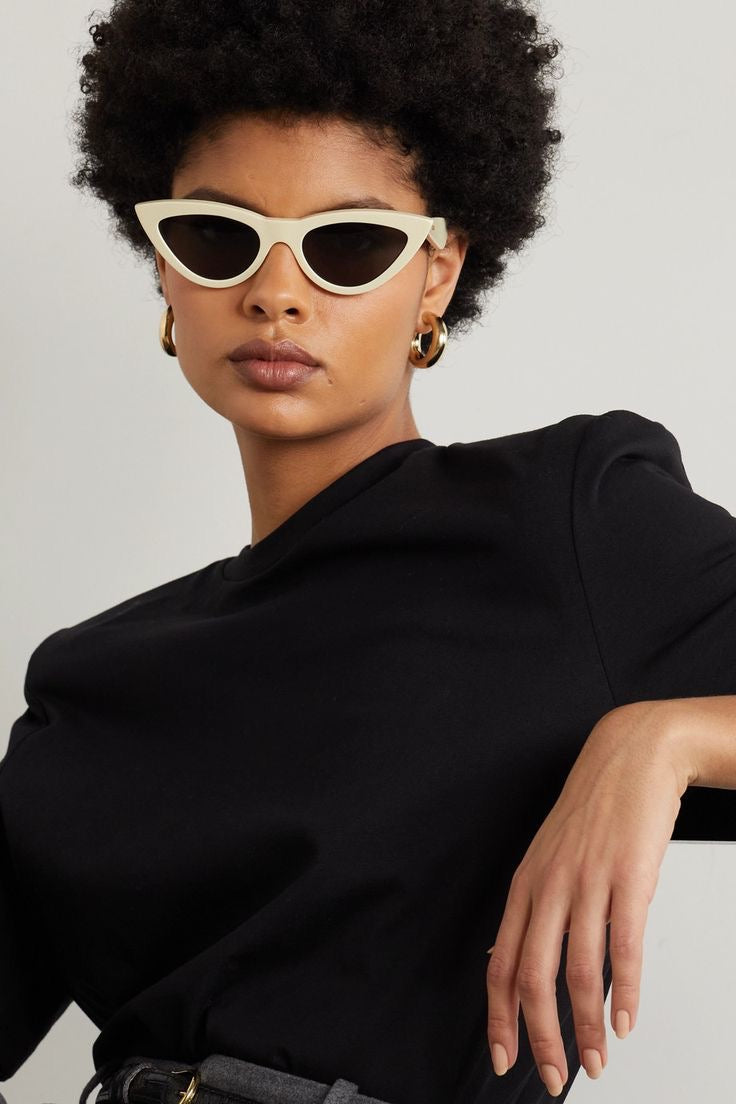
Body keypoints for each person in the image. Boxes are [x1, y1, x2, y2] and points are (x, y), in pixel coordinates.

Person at [2, 2, 735, 1104]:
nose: (275, 293)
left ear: (436, 274)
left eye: (348, 244)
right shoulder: (87, 683)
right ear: (163, 269)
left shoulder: (569, 524)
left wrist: (665, 738)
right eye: (217, 236)